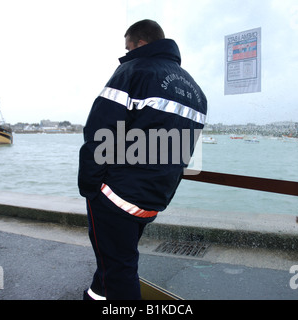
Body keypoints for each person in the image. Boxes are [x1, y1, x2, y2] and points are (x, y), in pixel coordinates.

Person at [78, 19, 207, 300]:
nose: (124, 53)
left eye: (127, 46)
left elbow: (100, 132)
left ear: (140, 43)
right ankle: (95, 295)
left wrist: (91, 187)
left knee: (120, 269)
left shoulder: (133, 70)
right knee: (115, 260)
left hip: (115, 195)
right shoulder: (197, 92)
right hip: (154, 197)